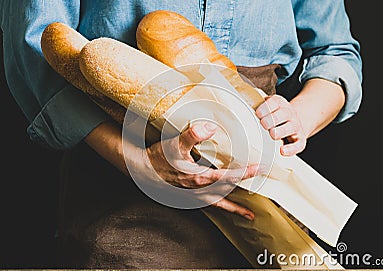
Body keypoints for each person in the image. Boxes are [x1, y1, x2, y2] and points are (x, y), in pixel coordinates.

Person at [0, 0, 362, 269]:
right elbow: (33, 46)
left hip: (263, 173)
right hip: (120, 176)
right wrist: (137, 162)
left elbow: (336, 52)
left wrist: (298, 116)